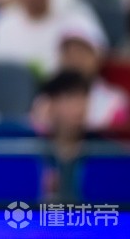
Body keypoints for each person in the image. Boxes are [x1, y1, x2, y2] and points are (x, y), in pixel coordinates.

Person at [35, 69, 91, 204]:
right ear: (50, 104)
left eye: (83, 97)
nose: (79, 106)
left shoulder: (105, 152)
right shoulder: (32, 152)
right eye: (70, 98)